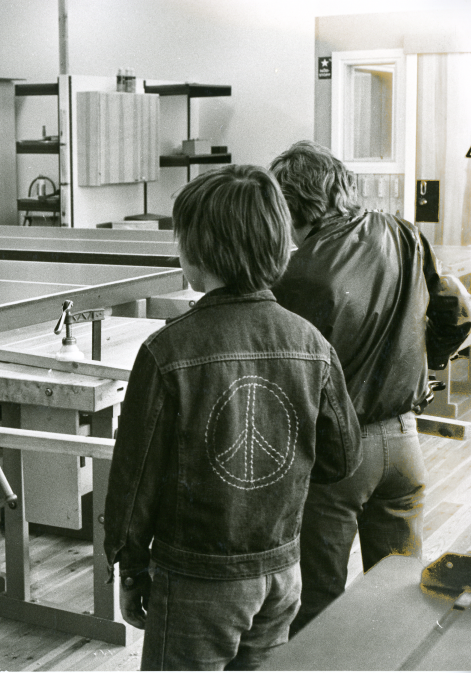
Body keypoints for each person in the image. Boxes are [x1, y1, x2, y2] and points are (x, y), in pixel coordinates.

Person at [103, 164, 362, 670]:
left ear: (201, 251)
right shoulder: (313, 344)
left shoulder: (166, 351)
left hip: (197, 580)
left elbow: (134, 484)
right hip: (282, 572)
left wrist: (130, 571)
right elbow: (341, 460)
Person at [268, 140, 471, 637]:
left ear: (291, 202)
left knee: (320, 606)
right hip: (404, 443)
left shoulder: (294, 275)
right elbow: (459, 312)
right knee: (404, 597)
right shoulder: (403, 232)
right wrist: (425, 363)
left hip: (338, 458)